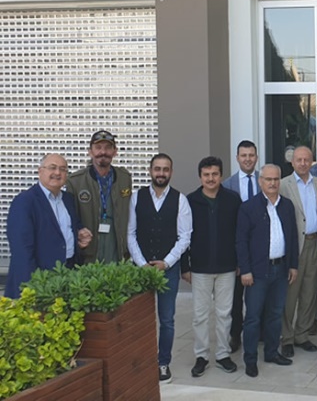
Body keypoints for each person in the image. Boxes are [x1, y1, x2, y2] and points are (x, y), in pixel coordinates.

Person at [126, 153, 193, 384]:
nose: (161, 173)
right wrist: (141, 263)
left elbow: (185, 237)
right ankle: (139, 362)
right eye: (157, 169)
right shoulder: (136, 198)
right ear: (150, 170)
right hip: (141, 269)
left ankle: (163, 363)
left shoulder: (180, 200)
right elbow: (130, 233)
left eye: (165, 169)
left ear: (171, 172)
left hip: (168, 269)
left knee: (167, 319)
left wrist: (167, 262)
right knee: (139, 318)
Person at [235, 164, 299, 377]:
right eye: (268, 179)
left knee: (275, 314)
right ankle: (250, 360)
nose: (272, 183)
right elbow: (241, 241)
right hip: (257, 272)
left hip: (281, 269)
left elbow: (293, 237)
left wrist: (293, 265)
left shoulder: (287, 205)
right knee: (253, 317)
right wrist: (245, 270)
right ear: (260, 181)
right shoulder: (249, 207)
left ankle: (272, 352)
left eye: (276, 179)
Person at [182, 157, 241, 377]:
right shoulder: (190, 201)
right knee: (200, 315)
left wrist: (240, 263)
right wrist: (185, 267)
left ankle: (223, 354)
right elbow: (183, 236)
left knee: (225, 314)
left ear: (221, 176)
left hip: (227, 267)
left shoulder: (232, 200)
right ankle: (201, 356)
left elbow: (240, 234)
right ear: (200, 177)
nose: (210, 178)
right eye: (206, 175)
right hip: (200, 267)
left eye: (214, 174)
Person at [5, 154, 92, 299]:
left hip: (66, 275)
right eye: (52, 168)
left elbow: (70, 226)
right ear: (40, 171)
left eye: (63, 169)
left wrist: (81, 232)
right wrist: (31, 287)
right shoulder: (25, 202)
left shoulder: (68, 199)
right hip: (39, 279)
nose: (57, 173)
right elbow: (21, 249)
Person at [279, 146, 317, 357]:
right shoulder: (284, 185)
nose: (302, 163)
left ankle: (302, 334)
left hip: (314, 244)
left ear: (311, 162)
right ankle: (286, 337)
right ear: (292, 162)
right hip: (294, 246)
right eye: (299, 160)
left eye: (306, 160)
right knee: (290, 295)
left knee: (310, 293)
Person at [66, 130, 132, 263]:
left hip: (116, 247)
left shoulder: (124, 178)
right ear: (90, 152)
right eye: (98, 147)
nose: (103, 152)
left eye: (108, 148)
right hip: (89, 250)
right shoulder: (75, 181)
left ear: (115, 151)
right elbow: (70, 218)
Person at [222, 139, 259, 354]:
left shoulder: (265, 181)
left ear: (256, 157)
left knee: (260, 295)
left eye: (251, 155)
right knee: (236, 298)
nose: (247, 159)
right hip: (237, 250)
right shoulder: (227, 185)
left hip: (261, 249)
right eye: (243, 155)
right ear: (237, 158)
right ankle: (235, 334)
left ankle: (259, 333)